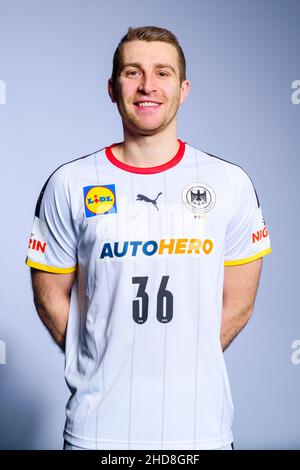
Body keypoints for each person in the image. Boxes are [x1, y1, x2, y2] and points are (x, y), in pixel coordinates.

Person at [26, 26, 271, 450]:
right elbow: (50, 295)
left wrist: (184, 358)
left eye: (162, 73)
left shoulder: (228, 183)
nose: (147, 86)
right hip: (97, 434)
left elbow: (239, 301)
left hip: (201, 434)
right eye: (132, 72)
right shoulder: (70, 183)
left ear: (184, 88)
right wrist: (103, 352)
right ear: (112, 87)